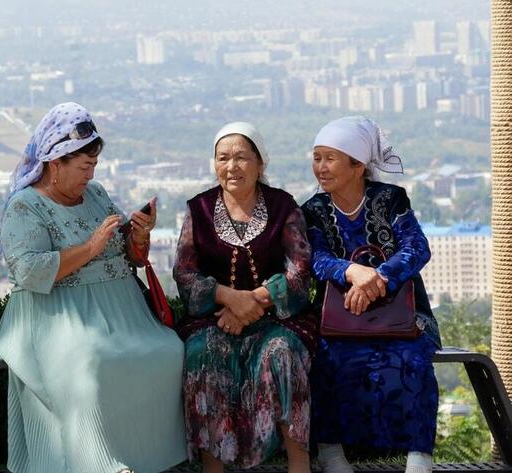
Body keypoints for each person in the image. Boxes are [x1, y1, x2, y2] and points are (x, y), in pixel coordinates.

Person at [0, 102, 186, 473]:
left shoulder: (96, 195)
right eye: (84, 166)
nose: (91, 174)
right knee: (90, 363)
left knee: (168, 352)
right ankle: (99, 464)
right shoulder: (25, 207)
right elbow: (28, 271)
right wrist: (89, 248)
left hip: (122, 315)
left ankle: (144, 458)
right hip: (56, 319)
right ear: (55, 163)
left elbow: (129, 255)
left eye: (94, 165)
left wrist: (139, 235)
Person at [173, 122, 317, 473]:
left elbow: (300, 270)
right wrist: (226, 297)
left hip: (276, 320)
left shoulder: (283, 207)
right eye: (223, 158)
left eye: (241, 157)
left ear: (259, 162)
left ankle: (299, 466)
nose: (231, 166)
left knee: (281, 354)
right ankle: (213, 469)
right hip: (214, 320)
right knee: (203, 355)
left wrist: (251, 301)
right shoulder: (199, 209)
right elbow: (185, 272)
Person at [301, 116, 441, 473]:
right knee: (324, 356)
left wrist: (377, 277)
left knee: (412, 357)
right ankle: (331, 453)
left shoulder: (390, 199)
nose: (321, 167)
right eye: (317, 158)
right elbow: (315, 258)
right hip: (338, 318)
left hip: (403, 315)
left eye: (330, 158)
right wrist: (352, 271)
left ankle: (419, 457)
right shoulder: (313, 210)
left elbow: (417, 247)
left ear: (358, 165)